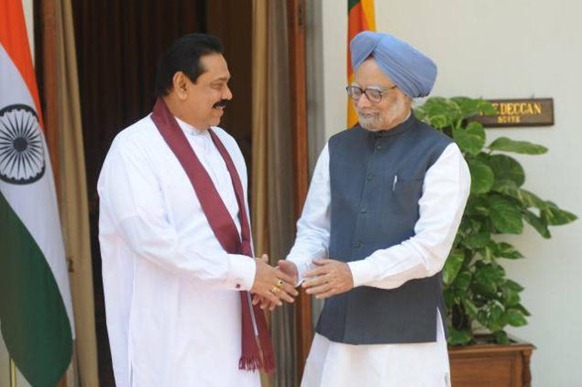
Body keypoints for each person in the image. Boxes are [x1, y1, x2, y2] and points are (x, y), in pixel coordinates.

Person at [98, 33, 297, 387]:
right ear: (181, 85)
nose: (228, 96)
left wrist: (260, 276)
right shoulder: (132, 149)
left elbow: (232, 237)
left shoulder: (228, 145)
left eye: (228, 84)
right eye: (217, 85)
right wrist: (247, 272)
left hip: (230, 337)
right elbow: (153, 241)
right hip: (168, 340)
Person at [279, 31, 471, 386]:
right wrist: (297, 266)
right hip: (340, 332)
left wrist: (354, 273)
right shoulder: (337, 147)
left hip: (406, 340)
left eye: (376, 94)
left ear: (406, 94)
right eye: (356, 91)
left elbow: (429, 250)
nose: (363, 103)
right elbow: (316, 229)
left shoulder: (441, 155)